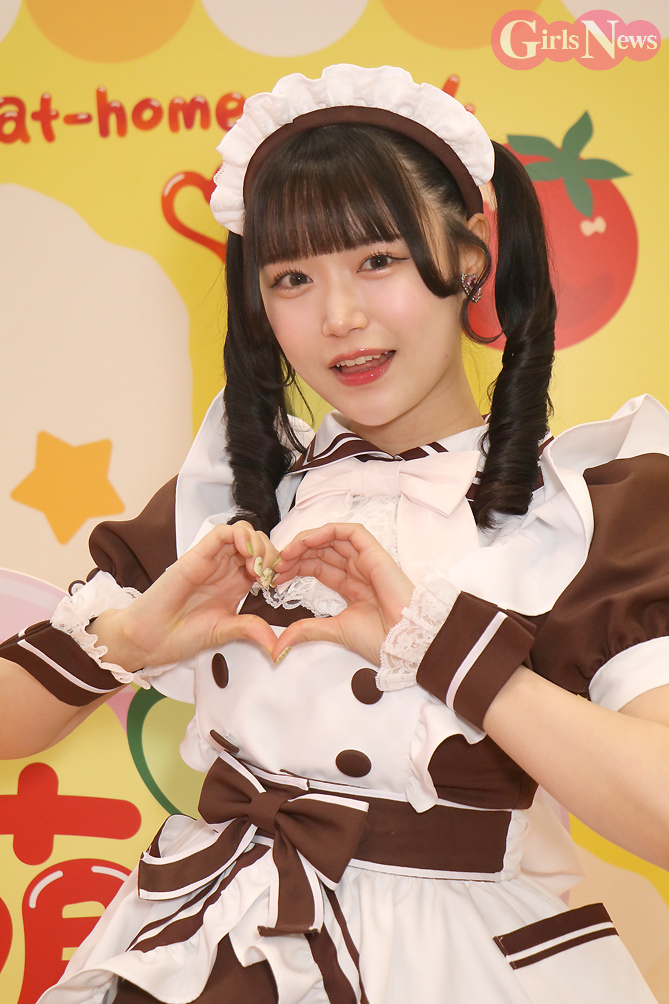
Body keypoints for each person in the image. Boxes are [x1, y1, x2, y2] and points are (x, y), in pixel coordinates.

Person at [1, 63, 668, 1004]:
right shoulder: (238, 493)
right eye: (292, 278)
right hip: (206, 950)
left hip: (449, 966)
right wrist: (128, 642)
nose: (339, 317)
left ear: (468, 253)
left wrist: (439, 649)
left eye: (377, 260)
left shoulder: (585, 504)